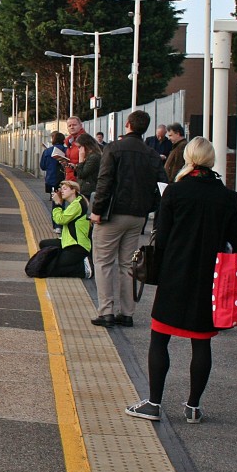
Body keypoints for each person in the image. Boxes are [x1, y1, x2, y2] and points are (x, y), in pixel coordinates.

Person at [125, 138, 237, 423]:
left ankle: (153, 404)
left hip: (174, 275)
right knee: (201, 342)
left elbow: (162, 238)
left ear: (188, 159)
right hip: (210, 279)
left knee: (160, 338)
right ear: (212, 160)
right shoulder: (229, 197)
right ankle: (193, 407)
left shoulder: (175, 193)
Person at [88, 110, 168, 328]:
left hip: (112, 215)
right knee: (127, 264)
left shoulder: (113, 148)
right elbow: (163, 186)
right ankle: (127, 313)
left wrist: (97, 209)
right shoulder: (152, 154)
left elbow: (104, 181)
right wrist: (148, 207)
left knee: (104, 262)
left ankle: (106, 312)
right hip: (137, 218)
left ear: (128, 124)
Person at [38, 180, 92, 278]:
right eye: (61, 189)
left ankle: (84, 269)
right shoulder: (75, 202)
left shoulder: (77, 204)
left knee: (50, 269)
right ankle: (65, 257)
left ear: (73, 191)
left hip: (77, 246)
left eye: (65, 189)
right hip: (67, 241)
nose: (62, 191)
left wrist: (57, 204)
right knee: (44, 244)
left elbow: (60, 220)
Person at [74, 131, 103, 200]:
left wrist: (80, 159)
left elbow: (82, 174)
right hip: (85, 189)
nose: (79, 150)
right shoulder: (89, 156)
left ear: (85, 146)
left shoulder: (94, 157)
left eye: (79, 147)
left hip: (88, 190)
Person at [62, 116, 84, 181]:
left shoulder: (84, 140)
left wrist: (75, 166)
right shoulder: (70, 141)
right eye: (69, 126)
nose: (72, 127)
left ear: (80, 125)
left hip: (78, 180)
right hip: (70, 178)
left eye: (74, 125)